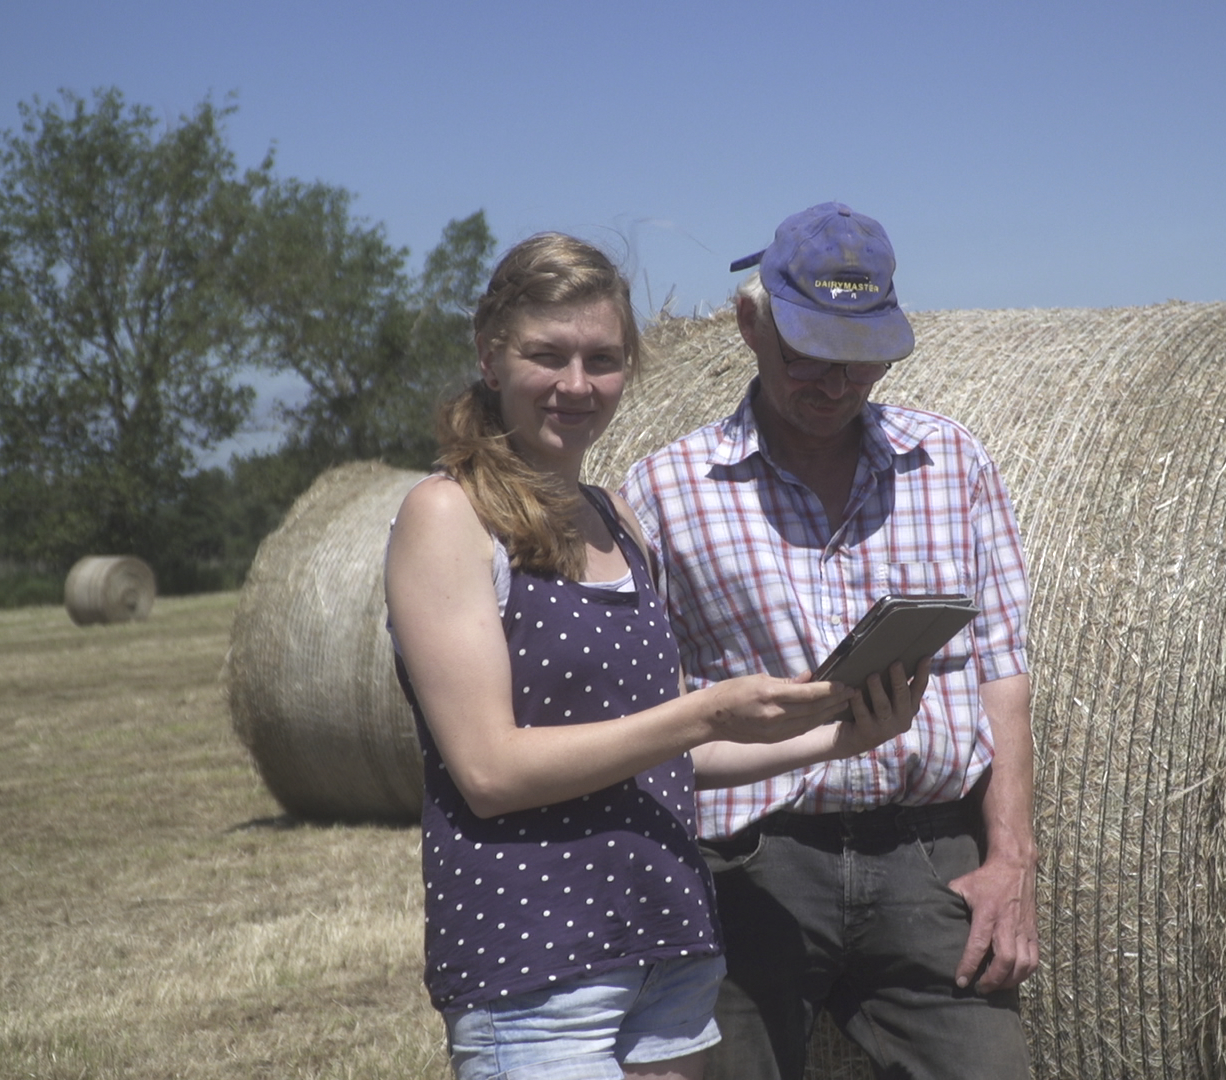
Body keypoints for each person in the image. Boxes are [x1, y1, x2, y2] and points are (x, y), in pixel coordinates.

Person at [385, 232, 926, 1080]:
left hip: (669, 954)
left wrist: (839, 736)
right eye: (547, 356)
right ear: (491, 360)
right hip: (541, 967)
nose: (576, 384)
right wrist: (704, 708)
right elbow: (489, 771)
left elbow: (673, 754)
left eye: (602, 358)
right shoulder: (448, 517)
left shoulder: (618, 519)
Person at [622, 203, 1039, 1080]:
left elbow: (1003, 669)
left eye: (860, 360)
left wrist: (1010, 858)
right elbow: (643, 721)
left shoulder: (952, 463)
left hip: (930, 859)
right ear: (751, 323)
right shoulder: (666, 490)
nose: (835, 384)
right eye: (808, 353)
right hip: (748, 865)